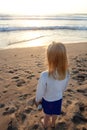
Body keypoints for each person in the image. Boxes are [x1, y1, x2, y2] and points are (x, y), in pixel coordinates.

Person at [35, 42, 70, 129]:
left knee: (47, 114)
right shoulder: (66, 73)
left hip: (48, 100)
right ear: (64, 57)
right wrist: (59, 92)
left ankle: (45, 124)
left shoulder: (45, 75)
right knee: (55, 113)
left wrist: (38, 100)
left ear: (49, 58)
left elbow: (40, 91)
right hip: (58, 98)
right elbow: (64, 87)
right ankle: (53, 124)